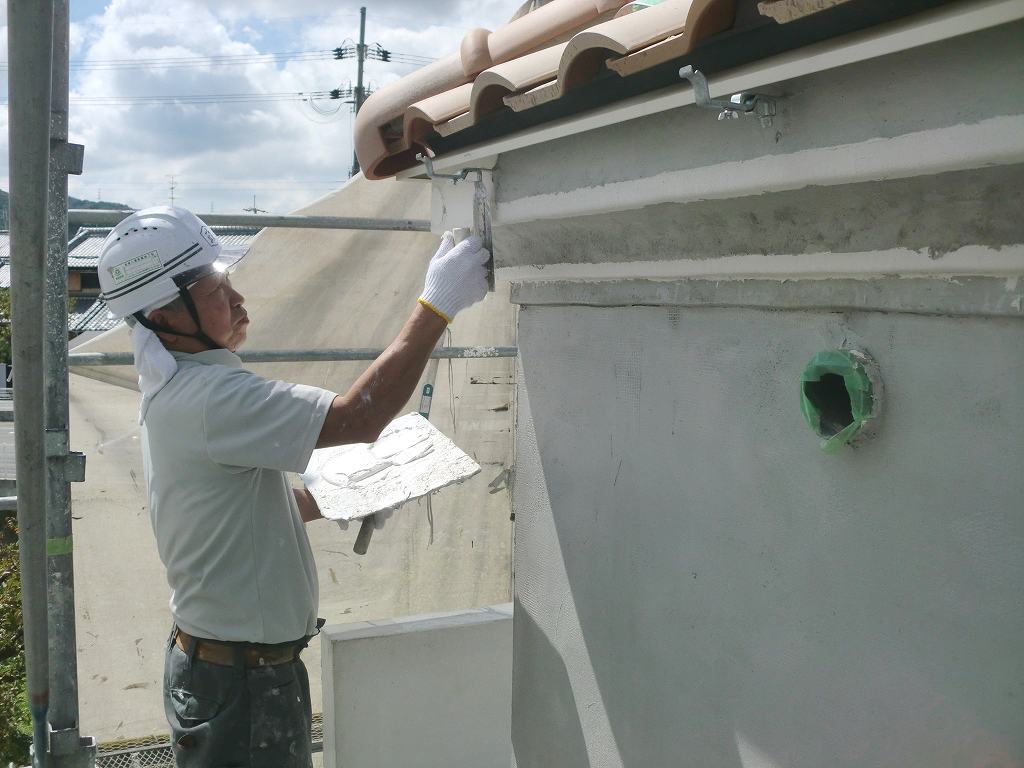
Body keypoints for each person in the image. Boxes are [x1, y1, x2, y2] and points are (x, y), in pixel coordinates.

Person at [96, 206, 490, 767]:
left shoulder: (184, 387)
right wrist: (437, 303)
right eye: (215, 291)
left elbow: (233, 515)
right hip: (241, 683)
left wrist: (339, 495)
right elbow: (360, 417)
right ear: (165, 314)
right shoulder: (210, 399)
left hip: (235, 672)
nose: (238, 303)